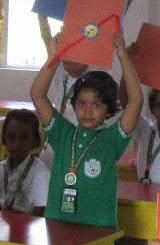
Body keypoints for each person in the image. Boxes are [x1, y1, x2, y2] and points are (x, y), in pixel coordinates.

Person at [30, 32, 144, 229]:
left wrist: (123, 56)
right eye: (82, 103)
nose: (88, 111)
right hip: (57, 225)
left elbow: (136, 101)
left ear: (108, 109)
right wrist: (54, 57)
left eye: (96, 104)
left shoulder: (112, 139)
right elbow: (37, 94)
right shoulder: (62, 132)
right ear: (74, 104)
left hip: (98, 230)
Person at [0, 109, 49, 216]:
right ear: (4, 138)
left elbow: (39, 213)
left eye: (24, 139)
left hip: (29, 224)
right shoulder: (0, 169)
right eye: (11, 137)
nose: (16, 145)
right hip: (0, 223)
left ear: (35, 141)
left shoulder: (40, 174)